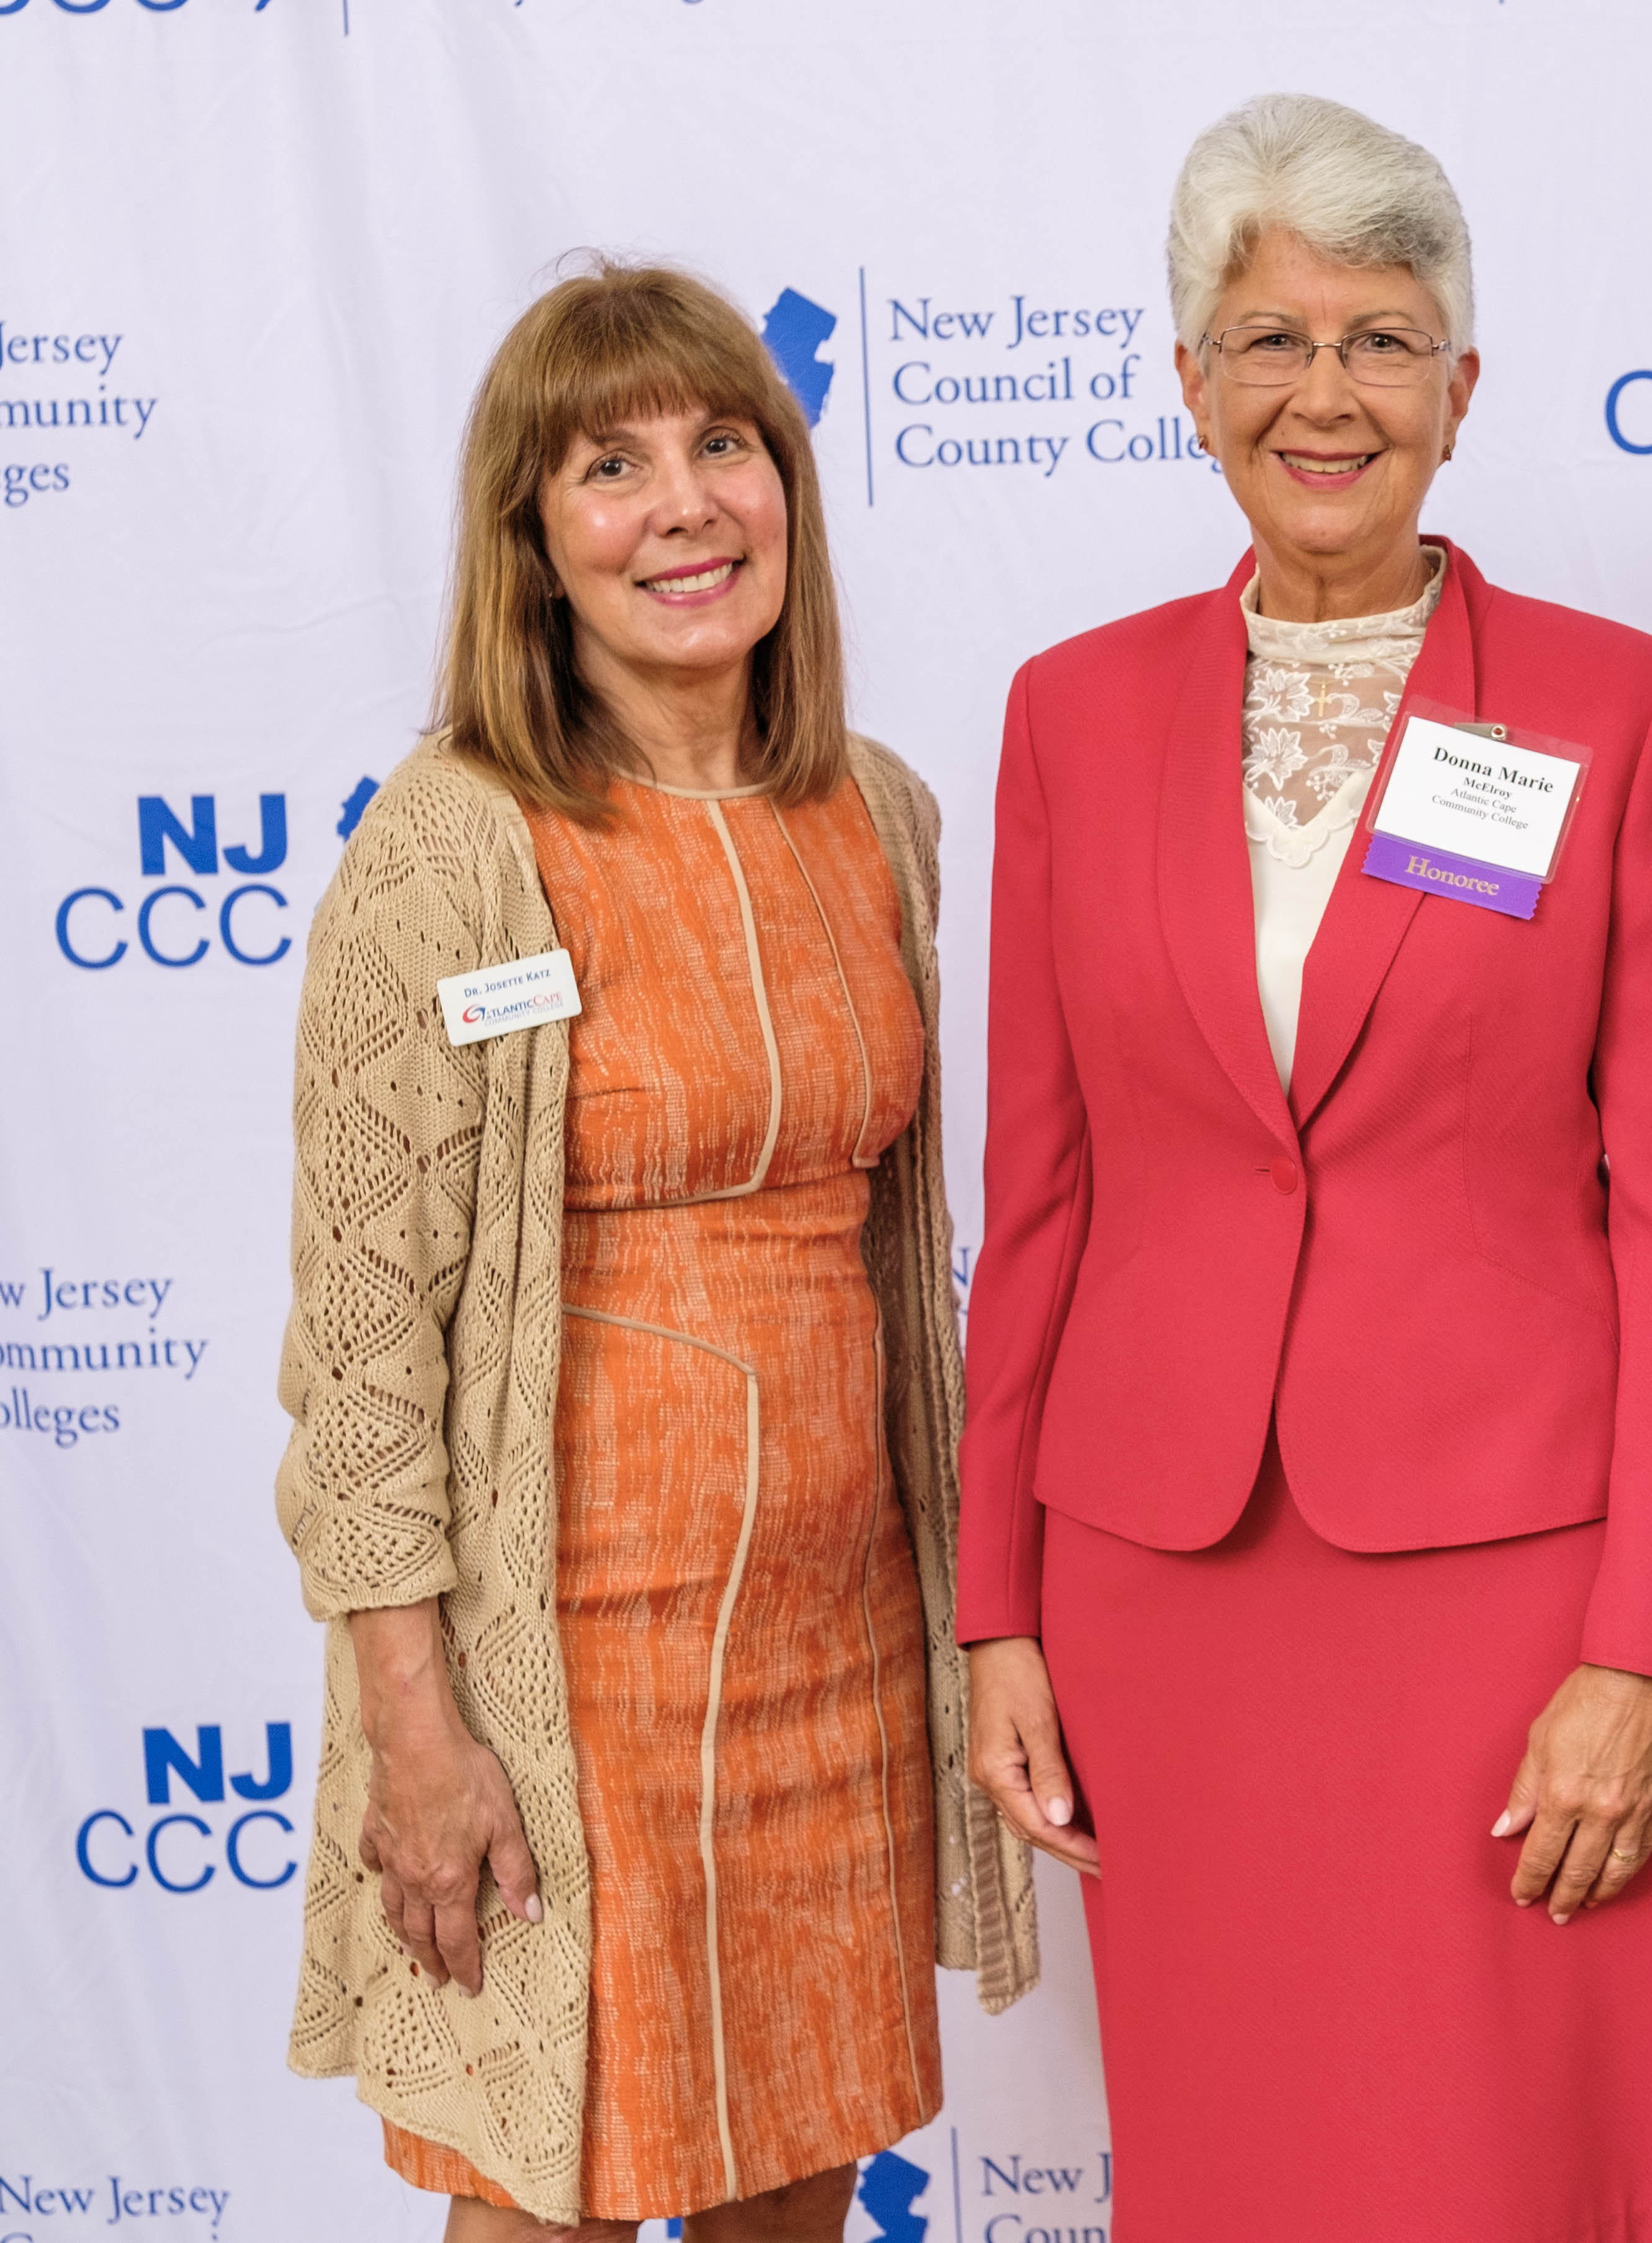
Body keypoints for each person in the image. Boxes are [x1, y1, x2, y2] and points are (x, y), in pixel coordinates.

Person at [952, 94, 1652, 2241]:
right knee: (1245, 2152)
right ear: (1192, 379)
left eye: (1385, 339)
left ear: (1463, 388)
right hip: (1163, 1580)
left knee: (1528, 2142)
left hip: (1513, 1581)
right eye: (1275, 338)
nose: (1330, 392)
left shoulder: (1625, 712)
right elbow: (1038, 1189)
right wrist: (995, 1605)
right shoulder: (1069, 714)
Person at [273, 263, 1035, 2242]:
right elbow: (361, 1338)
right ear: (532, 546)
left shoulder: (879, 814)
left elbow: (905, 1256)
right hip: (558, 1665)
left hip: (840, 1645)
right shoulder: (451, 842)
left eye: (725, 447)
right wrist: (420, 1722)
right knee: (561, 2190)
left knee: (800, 2160)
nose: (685, 506)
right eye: (609, 467)